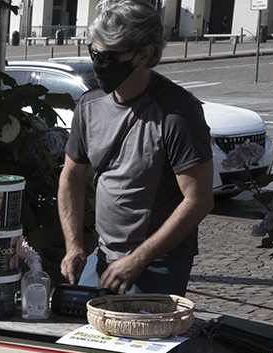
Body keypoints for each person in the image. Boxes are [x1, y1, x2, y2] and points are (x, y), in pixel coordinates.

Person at [57, 0, 214, 296]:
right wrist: (74, 245)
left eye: (111, 56)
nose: (100, 63)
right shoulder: (89, 106)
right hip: (103, 257)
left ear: (145, 54)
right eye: (94, 53)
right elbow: (71, 177)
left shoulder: (179, 112)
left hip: (158, 263)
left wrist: (139, 257)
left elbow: (199, 200)